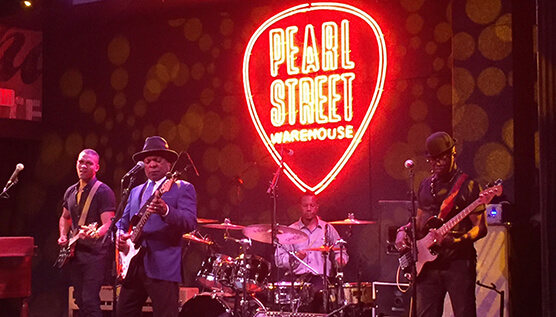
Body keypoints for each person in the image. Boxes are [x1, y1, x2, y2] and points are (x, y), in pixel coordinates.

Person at [395, 131, 488, 317]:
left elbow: (481, 227)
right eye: (432, 159)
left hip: (458, 263)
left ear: (453, 154)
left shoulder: (468, 186)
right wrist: (403, 230)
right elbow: (419, 222)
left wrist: (453, 241)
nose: (436, 163)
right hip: (428, 266)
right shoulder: (424, 185)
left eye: (441, 158)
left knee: (464, 313)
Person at [116, 136, 197, 317]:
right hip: (133, 265)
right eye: (147, 161)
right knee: (123, 312)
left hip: (163, 265)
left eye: (157, 160)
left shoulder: (182, 187)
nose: (152, 164)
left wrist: (166, 211)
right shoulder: (135, 191)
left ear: (169, 164)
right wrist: (121, 237)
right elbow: (122, 221)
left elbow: (190, 221)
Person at [57, 149, 116, 317]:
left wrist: (96, 233)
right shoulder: (70, 191)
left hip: (95, 255)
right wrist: (63, 235)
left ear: (96, 167)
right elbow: (65, 217)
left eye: (89, 163)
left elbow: (108, 223)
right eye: (80, 162)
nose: (83, 166)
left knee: (90, 300)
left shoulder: (103, 192)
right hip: (75, 253)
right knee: (80, 300)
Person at [275, 192, 349, 311]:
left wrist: (340, 260)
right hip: (296, 278)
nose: (309, 209)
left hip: (319, 278)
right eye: (305, 205)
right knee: (279, 293)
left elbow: (341, 251)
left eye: (312, 205)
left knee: (319, 295)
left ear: (317, 207)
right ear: (300, 206)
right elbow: (279, 259)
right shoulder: (291, 230)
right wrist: (295, 257)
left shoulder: (327, 229)